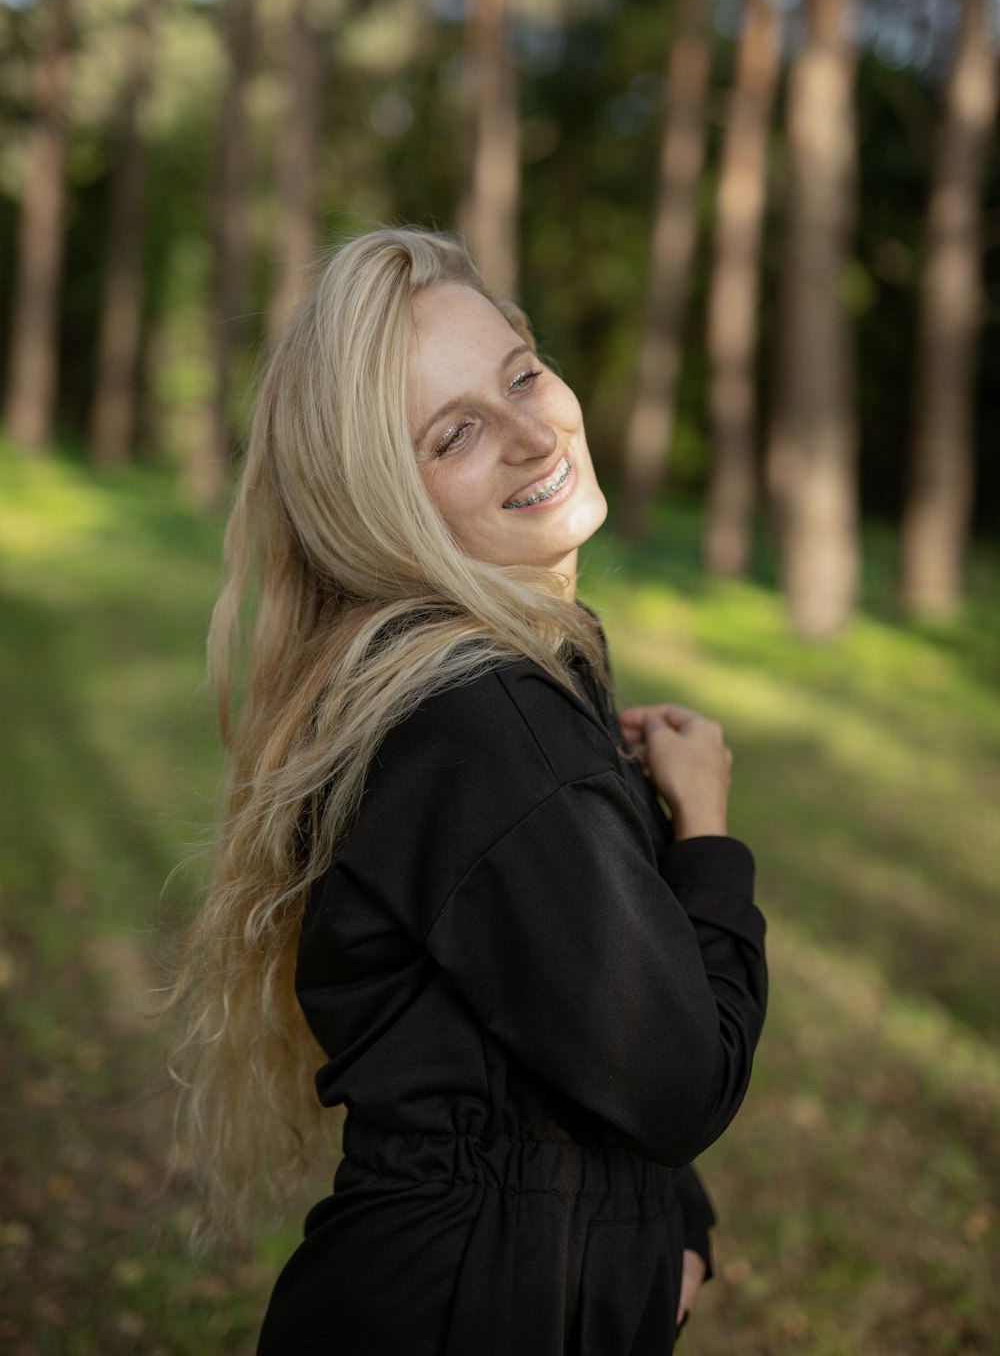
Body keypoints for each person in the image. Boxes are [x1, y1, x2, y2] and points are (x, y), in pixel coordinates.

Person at [170, 227, 767, 1356]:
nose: (533, 432)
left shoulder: (482, 690)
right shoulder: (487, 723)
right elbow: (683, 1074)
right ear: (379, 502)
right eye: (455, 432)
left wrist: (663, 1225)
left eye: (522, 375)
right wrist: (708, 831)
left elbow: (552, 1032)